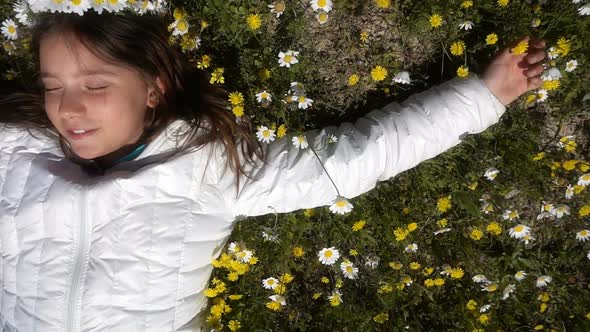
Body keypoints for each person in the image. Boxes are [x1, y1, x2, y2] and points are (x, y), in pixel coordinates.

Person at [0, 6, 547, 332]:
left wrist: (483, 96)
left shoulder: (208, 163)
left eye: (95, 85)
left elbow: (350, 161)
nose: (67, 108)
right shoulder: (12, 152)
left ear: (153, 88)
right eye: (52, 88)